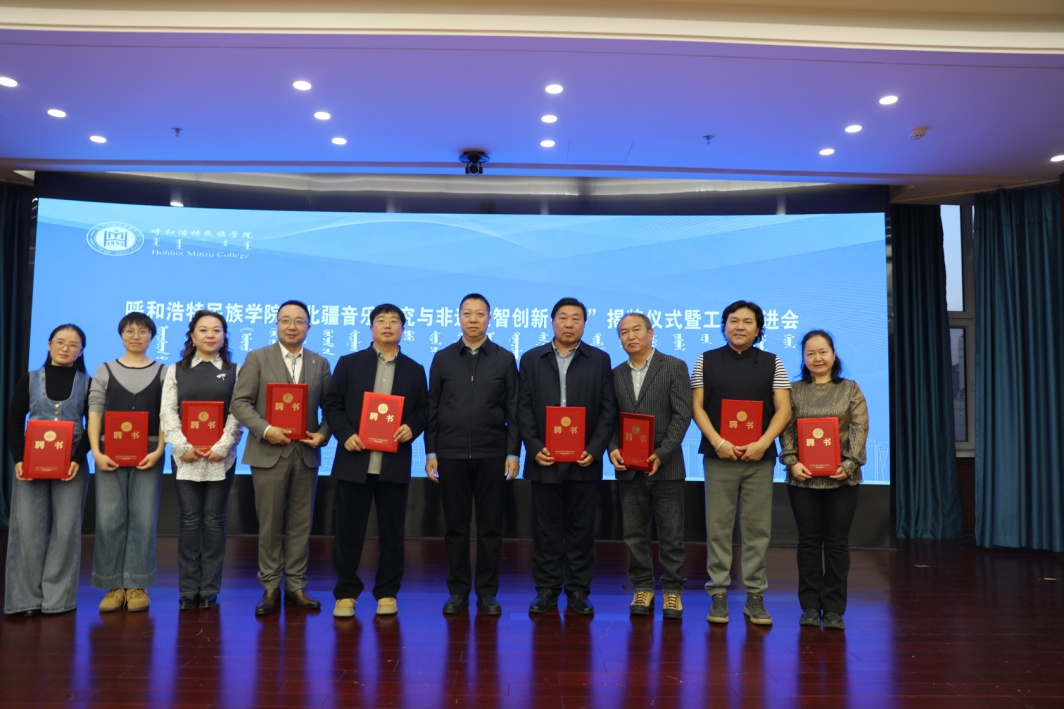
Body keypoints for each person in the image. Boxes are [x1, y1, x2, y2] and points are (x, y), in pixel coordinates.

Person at [323, 303, 428, 618]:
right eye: (381, 320)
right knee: (348, 532)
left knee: (392, 532)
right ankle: (346, 593)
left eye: (394, 321)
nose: (387, 325)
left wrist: (412, 427)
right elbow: (332, 404)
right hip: (354, 460)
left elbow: (424, 409)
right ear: (371, 328)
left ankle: (387, 593)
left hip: (393, 464)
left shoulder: (414, 369)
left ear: (403, 329)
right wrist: (345, 434)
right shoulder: (349, 363)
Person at [691, 300, 791, 626]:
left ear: (758, 328)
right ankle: (718, 593)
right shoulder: (705, 360)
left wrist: (763, 443)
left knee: (757, 529)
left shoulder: (773, 362)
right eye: (734, 320)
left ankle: (755, 596)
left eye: (748, 321)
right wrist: (718, 442)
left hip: (759, 458)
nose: (740, 327)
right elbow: (697, 407)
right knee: (718, 527)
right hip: (719, 456)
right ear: (724, 326)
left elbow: (784, 409)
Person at [231, 300, 332, 616]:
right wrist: (266, 429)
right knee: (270, 524)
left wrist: (323, 434)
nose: (292, 326)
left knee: (301, 524)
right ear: (276, 324)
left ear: (308, 327)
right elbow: (240, 403)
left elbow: (332, 408)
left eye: (299, 321)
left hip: (305, 454)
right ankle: (271, 586)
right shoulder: (257, 358)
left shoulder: (320, 363)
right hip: (268, 453)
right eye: (285, 320)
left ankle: (297, 585)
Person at [518, 297, 616, 616]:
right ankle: (546, 588)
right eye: (563, 317)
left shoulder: (599, 359)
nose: (569, 324)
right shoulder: (531, 359)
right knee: (545, 528)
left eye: (576, 318)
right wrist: (534, 447)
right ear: (552, 322)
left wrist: (595, 448)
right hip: (544, 458)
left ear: (584, 324)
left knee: (581, 528)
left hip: (584, 459)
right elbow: (522, 408)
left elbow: (608, 410)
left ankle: (577, 590)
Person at [425, 293, 519, 616]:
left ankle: (488, 593)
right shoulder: (443, 358)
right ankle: (458, 591)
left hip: (492, 453)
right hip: (450, 453)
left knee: (490, 527)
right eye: (468, 313)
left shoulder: (505, 359)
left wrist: (513, 453)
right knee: (456, 527)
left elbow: (513, 410)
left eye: (480, 314)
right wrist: (431, 451)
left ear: (489, 319)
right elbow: (433, 408)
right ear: (459, 318)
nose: (474, 319)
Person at [778, 330, 868, 630]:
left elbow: (859, 427)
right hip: (802, 479)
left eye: (823, 351)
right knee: (808, 543)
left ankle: (833, 609)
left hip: (842, 479)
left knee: (837, 544)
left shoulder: (850, 388)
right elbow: (786, 428)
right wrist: (791, 460)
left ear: (833, 354)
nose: (817, 358)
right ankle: (808, 606)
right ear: (803, 358)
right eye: (810, 353)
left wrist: (850, 463)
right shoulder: (793, 390)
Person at [607, 313, 692, 619]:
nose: (630, 336)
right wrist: (613, 448)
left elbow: (682, 414)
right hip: (629, 467)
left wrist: (662, 453)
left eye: (636, 330)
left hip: (666, 466)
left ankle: (672, 590)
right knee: (634, 534)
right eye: (623, 332)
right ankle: (642, 586)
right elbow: (610, 417)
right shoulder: (615, 373)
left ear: (651, 332)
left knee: (671, 534)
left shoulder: (674, 366)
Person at [4, 324, 91, 617]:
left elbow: (95, 425)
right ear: (49, 344)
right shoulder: (29, 379)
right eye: (60, 342)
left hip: (71, 466)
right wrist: (19, 459)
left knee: (66, 531)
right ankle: (24, 600)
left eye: (73, 344)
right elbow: (14, 420)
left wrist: (78, 458)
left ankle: (57, 600)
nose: (65, 348)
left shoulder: (88, 383)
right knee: (27, 529)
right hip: (31, 464)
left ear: (81, 351)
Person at [159, 310, 243, 610]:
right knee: (190, 519)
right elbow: (168, 411)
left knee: (214, 520)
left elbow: (237, 411)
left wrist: (223, 445)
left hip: (222, 456)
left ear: (224, 336)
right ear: (192, 336)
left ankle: (209, 588)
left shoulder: (235, 371)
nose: (210, 335)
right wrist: (182, 445)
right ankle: (188, 589)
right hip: (185, 456)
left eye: (216, 330)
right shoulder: (176, 370)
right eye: (203, 330)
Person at [88, 313, 167, 613]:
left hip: (149, 451)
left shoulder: (163, 371)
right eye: (129, 331)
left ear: (152, 336)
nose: (136, 336)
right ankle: (112, 585)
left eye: (143, 331)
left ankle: (137, 585)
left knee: (143, 518)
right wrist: (96, 452)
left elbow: (166, 415)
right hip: (109, 451)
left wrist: (160, 450)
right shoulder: (105, 369)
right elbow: (95, 412)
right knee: (109, 518)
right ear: (121, 335)